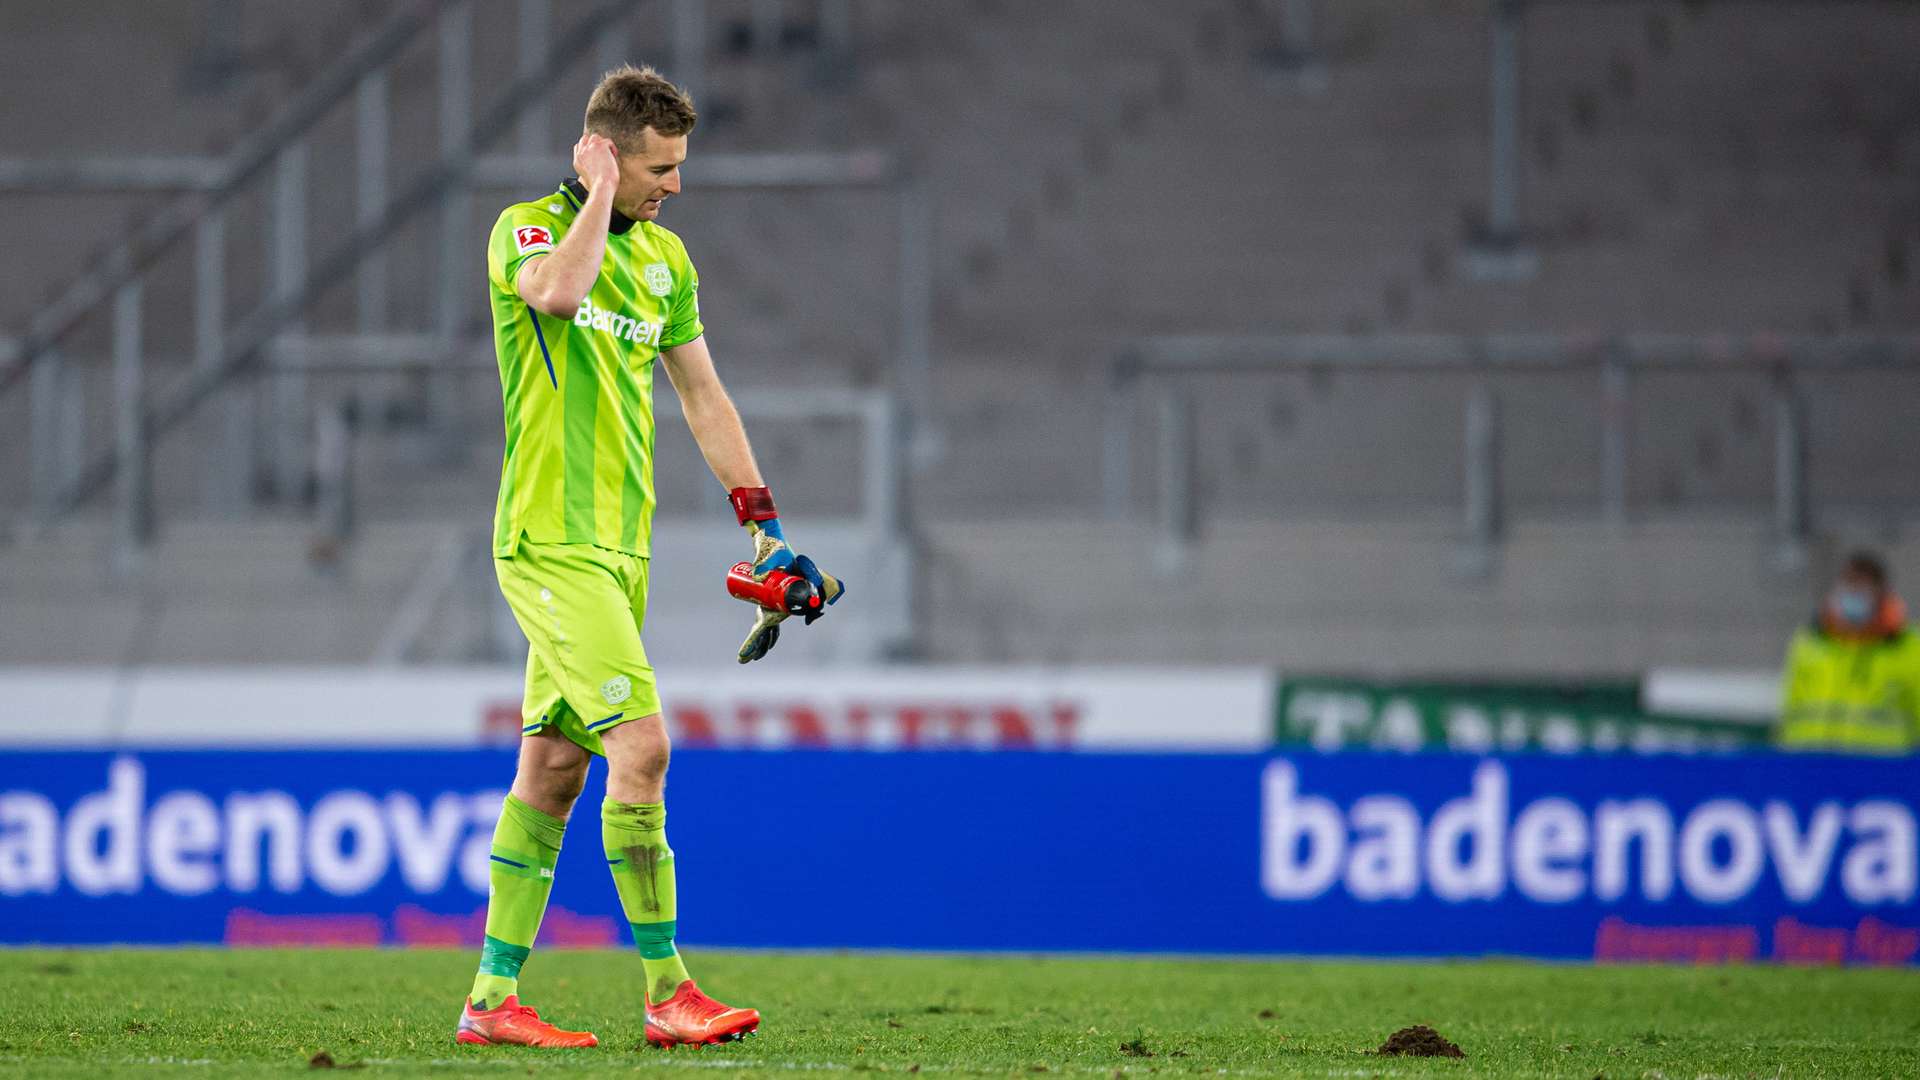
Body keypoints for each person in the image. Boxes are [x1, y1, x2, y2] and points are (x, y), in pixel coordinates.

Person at [455, 65, 844, 1050]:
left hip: (620, 552)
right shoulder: (528, 230)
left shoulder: (667, 261)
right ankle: (669, 990)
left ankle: (492, 1002)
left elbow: (704, 398)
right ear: (606, 154)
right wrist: (590, 195)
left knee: (552, 771)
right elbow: (557, 295)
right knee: (643, 746)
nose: (674, 185)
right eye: (659, 167)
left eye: (678, 165)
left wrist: (763, 524)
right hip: (548, 543)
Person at [1777, 550, 1920, 753]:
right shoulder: (1810, 641)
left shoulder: (1908, 647)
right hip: (1811, 765)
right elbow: (1791, 707)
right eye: (1848, 586)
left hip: (1883, 772)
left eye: (1861, 588)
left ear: (1880, 594)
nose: (1852, 595)